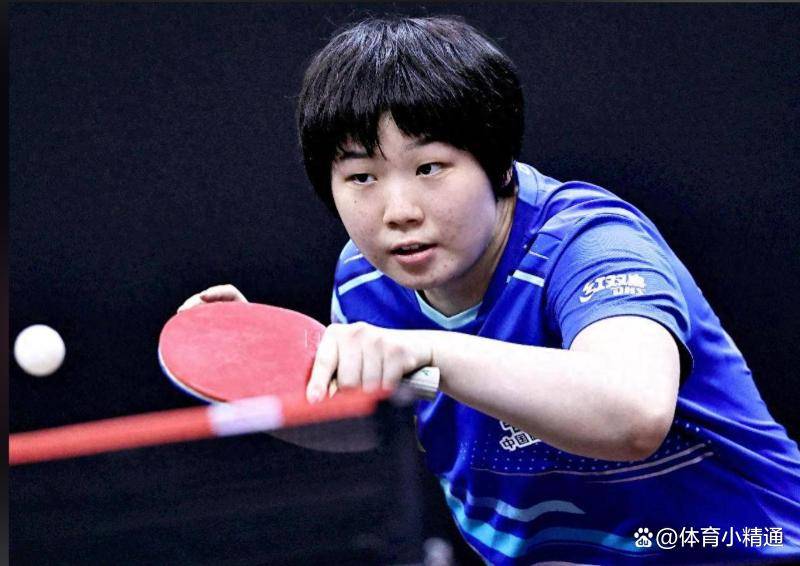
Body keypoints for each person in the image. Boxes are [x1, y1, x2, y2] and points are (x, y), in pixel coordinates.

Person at [181, 16, 800, 565]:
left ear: (497, 163)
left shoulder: (588, 242)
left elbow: (634, 414)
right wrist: (260, 378)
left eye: (429, 168)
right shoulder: (366, 282)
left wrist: (428, 351)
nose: (399, 211)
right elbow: (377, 424)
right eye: (362, 177)